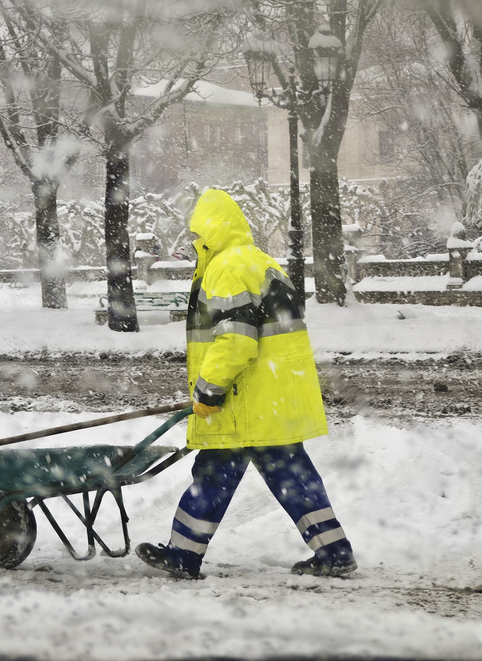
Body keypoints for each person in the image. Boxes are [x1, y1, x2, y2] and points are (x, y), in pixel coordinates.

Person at [136, 188, 356, 580]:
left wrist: (209, 388)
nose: (194, 243)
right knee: (291, 475)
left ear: (210, 232)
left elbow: (236, 340)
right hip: (276, 397)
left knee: (215, 472)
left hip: (245, 401)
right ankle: (334, 551)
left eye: (197, 235)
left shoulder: (227, 267)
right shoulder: (260, 261)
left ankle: (183, 556)